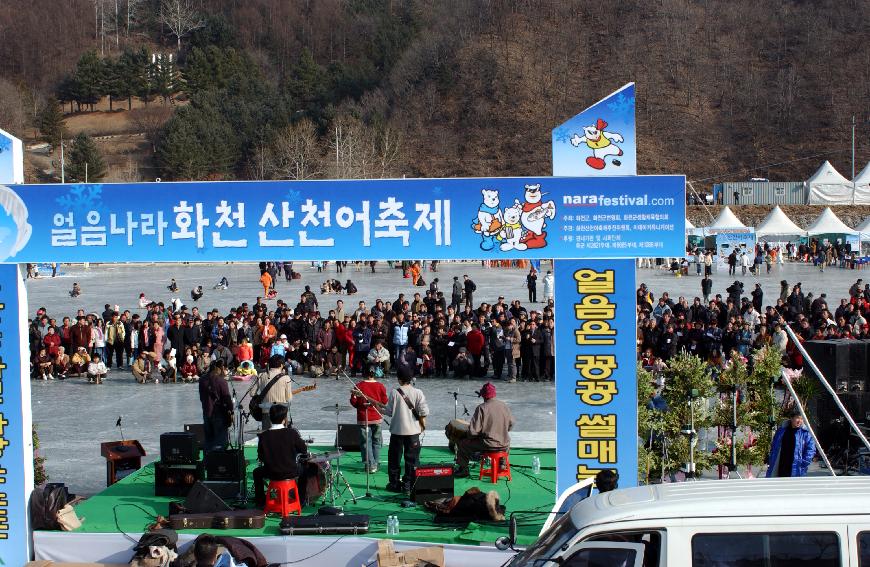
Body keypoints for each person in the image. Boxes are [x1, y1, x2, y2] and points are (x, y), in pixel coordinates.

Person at [379, 366, 429, 493]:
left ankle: (394, 484)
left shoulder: (395, 392)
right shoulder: (418, 392)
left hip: (397, 431)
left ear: (399, 379)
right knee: (412, 460)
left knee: (394, 459)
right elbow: (424, 411)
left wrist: (379, 408)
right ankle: (408, 485)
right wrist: (422, 423)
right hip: (413, 432)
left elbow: (389, 412)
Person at [454, 382, 514, 477]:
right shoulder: (504, 405)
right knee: (505, 440)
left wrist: (468, 436)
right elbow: (511, 424)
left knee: (463, 444)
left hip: (488, 444)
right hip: (504, 444)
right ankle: (502, 463)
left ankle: (463, 469)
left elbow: (473, 432)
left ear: (483, 396)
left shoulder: (481, 408)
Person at [253, 404, 308, 507]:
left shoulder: (263, 436)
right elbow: (304, 450)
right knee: (304, 470)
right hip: (290, 472)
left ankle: (260, 502)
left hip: (271, 472)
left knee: (257, 472)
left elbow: (261, 457)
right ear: (284, 419)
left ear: (270, 418)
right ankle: (300, 500)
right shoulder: (291, 433)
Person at [350, 365, 389, 473]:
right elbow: (384, 401)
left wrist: (353, 396)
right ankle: (375, 463)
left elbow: (354, 403)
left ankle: (371, 465)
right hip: (377, 417)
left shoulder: (358, 386)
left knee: (366, 442)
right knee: (376, 441)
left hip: (364, 417)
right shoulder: (380, 386)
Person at [766, 408, 816, 478]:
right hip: (781, 465)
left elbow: (811, 449)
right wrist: (771, 459)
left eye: (802, 419)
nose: (800, 421)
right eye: (798, 418)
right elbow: (774, 446)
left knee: (795, 487)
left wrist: (804, 463)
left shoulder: (806, 433)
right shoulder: (781, 430)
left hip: (797, 467)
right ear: (791, 418)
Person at [199, 359, 233, 453]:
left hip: (206, 413)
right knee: (220, 443)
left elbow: (202, 397)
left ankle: (207, 463)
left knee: (208, 441)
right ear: (221, 368)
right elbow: (227, 400)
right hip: (219, 414)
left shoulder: (202, 380)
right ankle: (218, 464)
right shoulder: (221, 381)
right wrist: (231, 411)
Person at [256, 355, 294, 428]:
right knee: (280, 436)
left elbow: (252, 393)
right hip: (281, 412)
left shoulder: (260, 375)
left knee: (267, 434)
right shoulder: (286, 378)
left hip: (266, 410)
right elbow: (289, 399)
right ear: (281, 365)